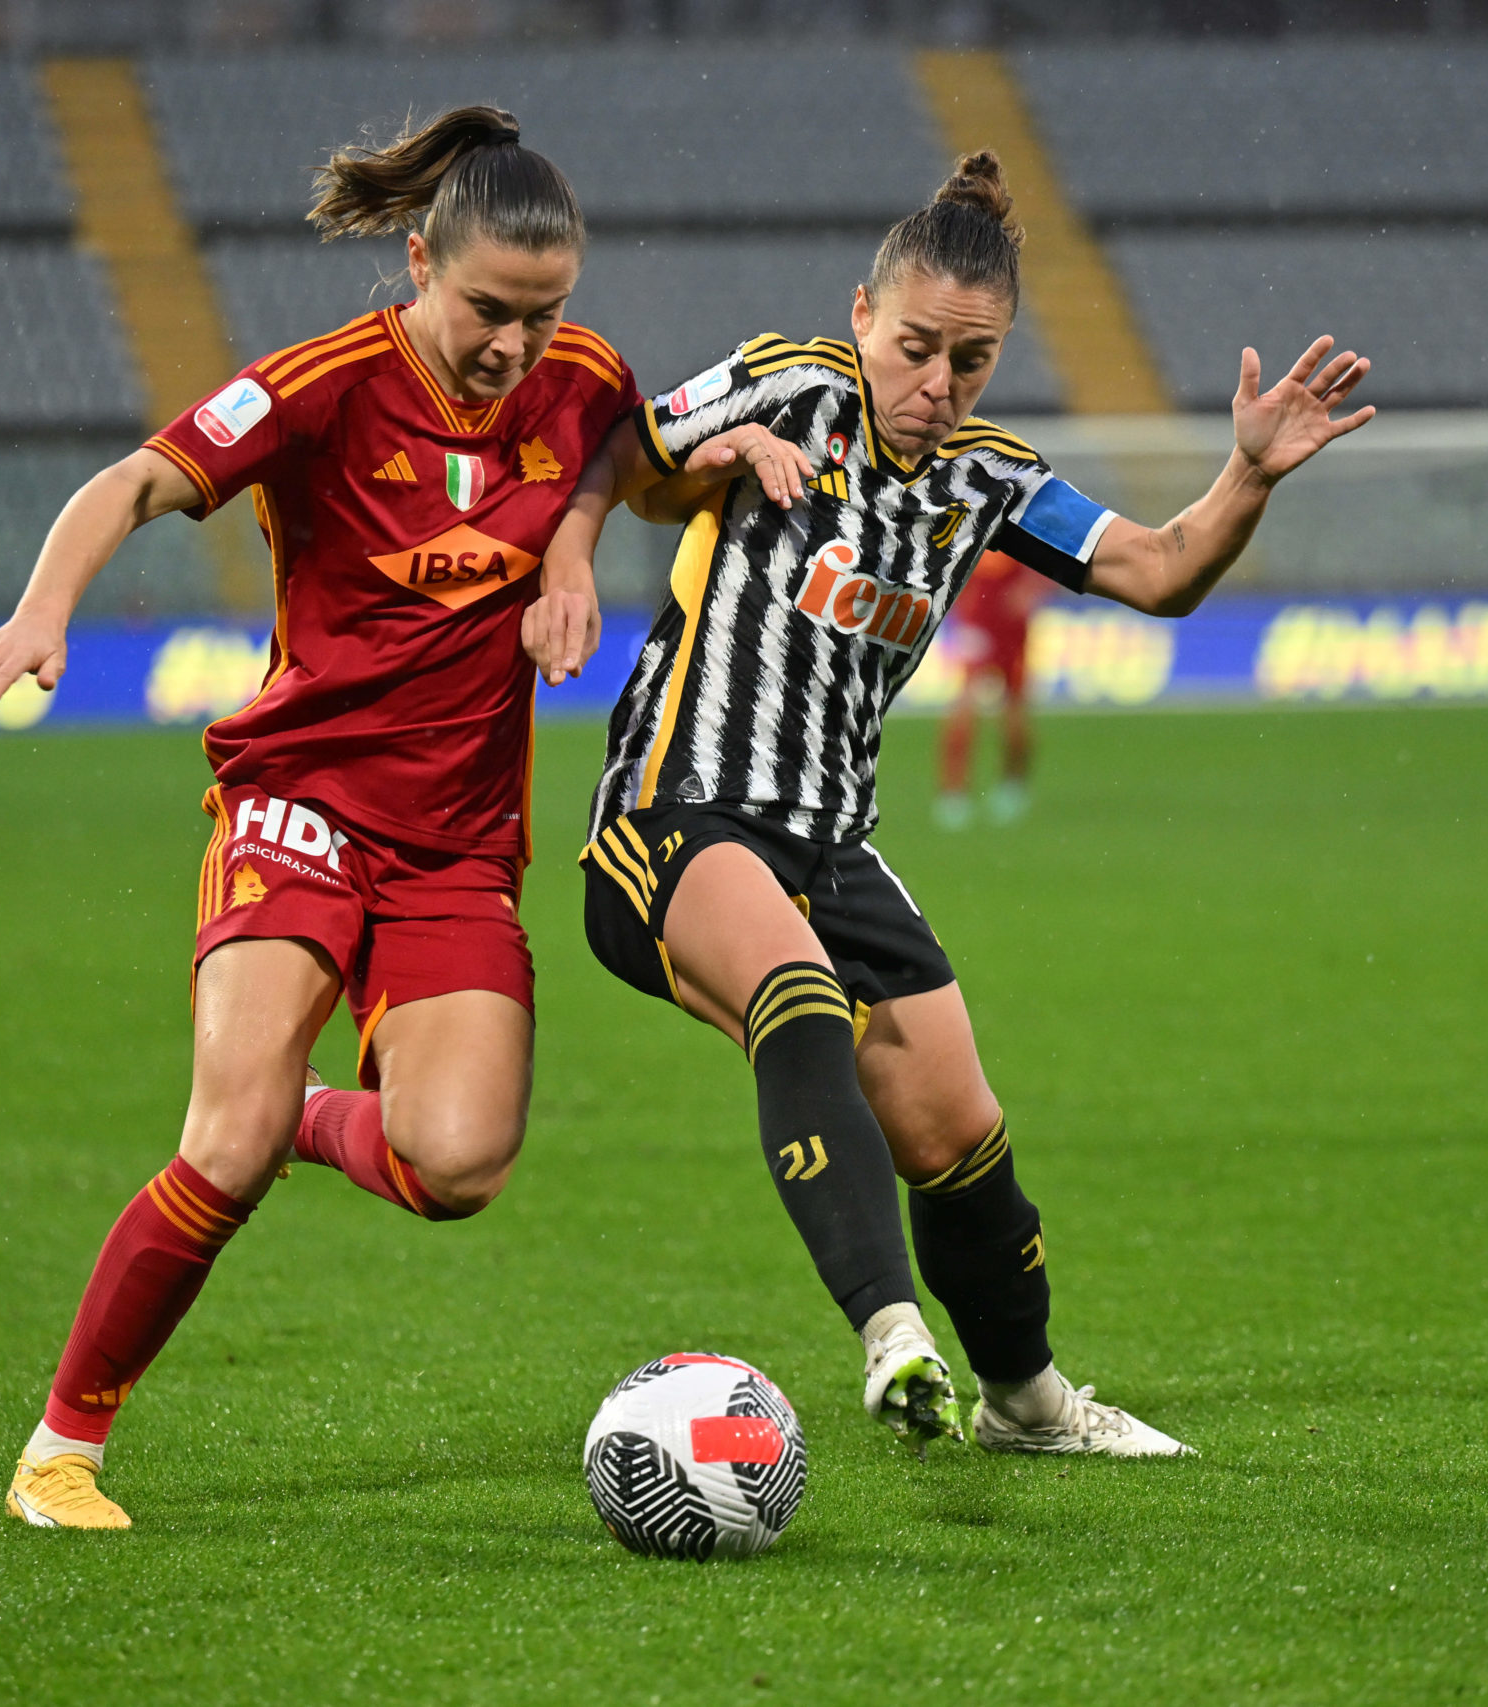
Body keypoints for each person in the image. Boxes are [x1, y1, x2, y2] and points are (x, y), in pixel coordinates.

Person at [553, 152, 1370, 1456]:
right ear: (862, 313)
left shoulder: (990, 479)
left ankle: (1028, 1403)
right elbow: (622, 453)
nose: (938, 384)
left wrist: (1249, 476)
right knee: (796, 995)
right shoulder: (789, 383)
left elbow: (1159, 571)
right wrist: (578, 558)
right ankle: (892, 1333)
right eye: (916, 347)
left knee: (959, 1128)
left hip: (831, 843)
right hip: (676, 810)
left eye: (972, 360)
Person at [0, 107, 635, 1528]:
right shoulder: (320, 386)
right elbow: (135, 480)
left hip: (457, 845)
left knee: (460, 1165)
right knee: (223, 1141)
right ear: (419, 262)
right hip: (300, 801)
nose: (517, 344)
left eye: (544, 312)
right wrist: (42, 608)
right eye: (490, 309)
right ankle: (60, 1452)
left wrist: (574, 545)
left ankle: (311, 1114)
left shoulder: (582, 376)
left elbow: (621, 446)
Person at [934, 547, 1057, 828]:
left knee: (1014, 710)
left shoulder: (1018, 531)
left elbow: (1051, 566)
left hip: (1011, 626)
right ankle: (954, 793)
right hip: (978, 620)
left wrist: (1030, 590)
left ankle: (1012, 786)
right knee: (965, 706)